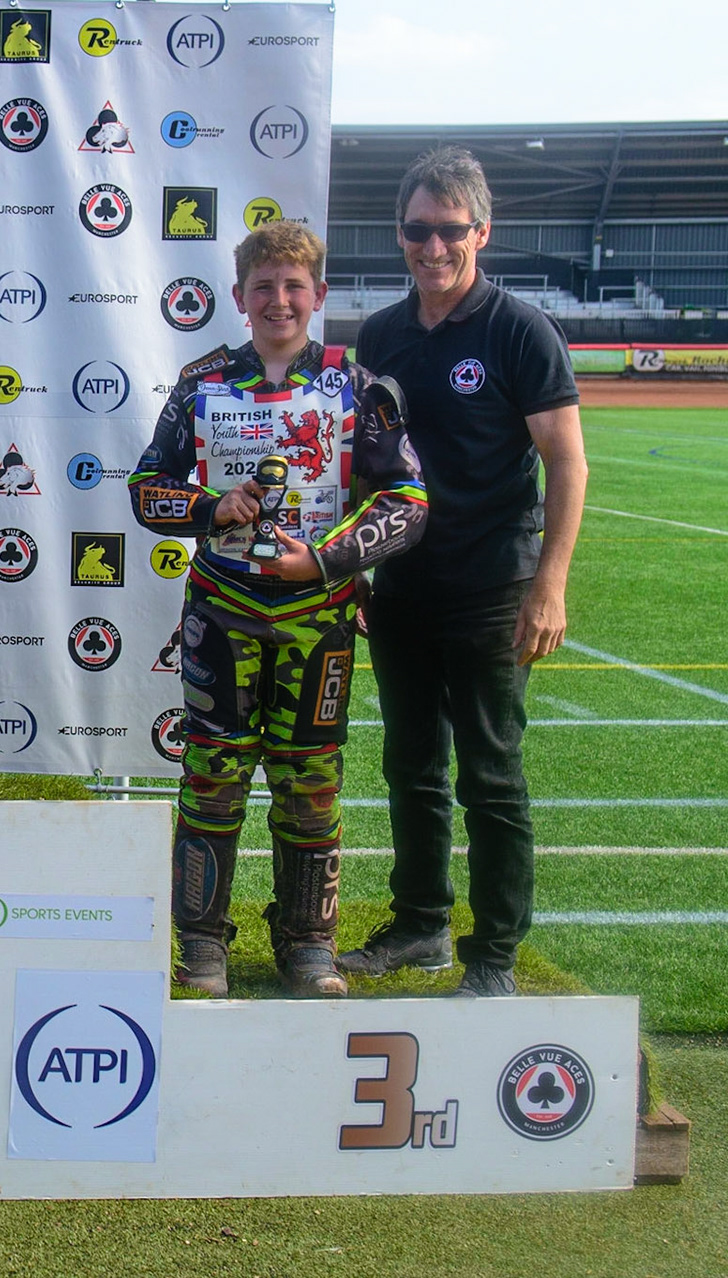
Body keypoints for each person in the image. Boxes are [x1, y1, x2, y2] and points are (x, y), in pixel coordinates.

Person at [129, 222, 427, 998]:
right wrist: (208, 507)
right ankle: (201, 942)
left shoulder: (355, 387)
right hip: (224, 610)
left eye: (295, 286)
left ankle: (306, 944)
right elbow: (145, 490)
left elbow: (408, 500)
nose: (279, 300)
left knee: (311, 780)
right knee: (213, 774)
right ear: (239, 297)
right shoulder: (202, 385)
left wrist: (328, 559)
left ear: (319, 296)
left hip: (318, 613)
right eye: (263, 287)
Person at [337, 148, 588, 997]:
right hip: (404, 587)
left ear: (481, 230)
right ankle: (420, 928)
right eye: (416, 230)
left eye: (449, 230)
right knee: (409, 765)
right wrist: (359, 561)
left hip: (491, 587)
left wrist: (548, 584)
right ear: (399, 234)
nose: (431, 246)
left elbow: (567, 463)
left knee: (490, 771)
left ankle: (495, 956)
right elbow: (369, 464)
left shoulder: (519, 330)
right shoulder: (381, 334)